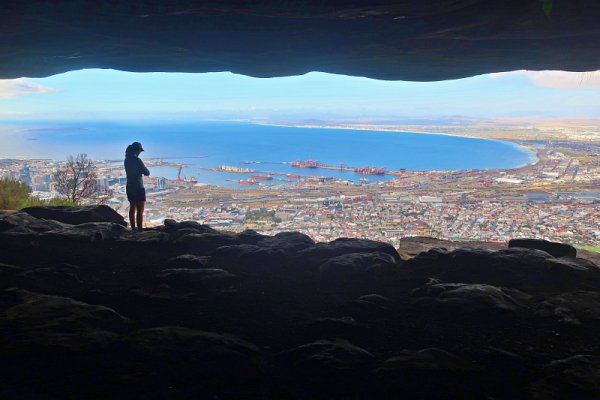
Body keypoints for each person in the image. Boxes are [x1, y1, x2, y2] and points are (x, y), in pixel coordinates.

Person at [124, 142, 150, 230]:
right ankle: (139, 229)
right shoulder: (137, 160)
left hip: (130, 186)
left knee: (132, 207)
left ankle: (133, 228)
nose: (140, 153)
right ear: (136, 150)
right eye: (140, 151)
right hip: (138, 187)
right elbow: (147, 172)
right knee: (140, 209)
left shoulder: (126, 160)